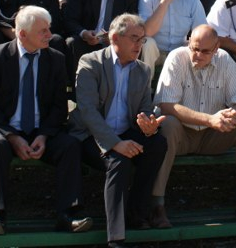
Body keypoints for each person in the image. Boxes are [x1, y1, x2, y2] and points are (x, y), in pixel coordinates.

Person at [0, 6, 92, 236]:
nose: (50, 35)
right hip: (1, 129)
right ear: (22, 34)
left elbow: (59, 107)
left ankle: (69, 214)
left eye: (49, 29)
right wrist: (13, 137)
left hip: (39, 131)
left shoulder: (55, 59)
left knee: (70, 146)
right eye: (43, 31)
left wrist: (44, 135)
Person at [153, 25, 236, 225]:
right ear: (189, 43)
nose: (198, 55)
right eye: (194, 49)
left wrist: (229, 117)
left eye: (205, 51)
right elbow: (167, 105)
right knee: (168, 124)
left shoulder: (225, 60)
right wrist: (209, 119)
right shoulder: (176, 58)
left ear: (216, 48)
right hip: (181, 136)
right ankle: (156, 204)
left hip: (214, 136)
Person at [69, 14, 167, 246]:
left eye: (142, 39)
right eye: (134, 38)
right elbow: (88, 112)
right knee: (118, 160)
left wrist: (149, 125)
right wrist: (115, 143)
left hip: (125, 130)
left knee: (157, 144)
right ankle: (116, 237)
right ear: (114, 38)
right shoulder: (91, 62)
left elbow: (144, 109)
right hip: (91, 134)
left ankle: (137, 213)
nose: (139, 45)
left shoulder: (143, 70)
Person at [62, 0, 139, 80]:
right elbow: (70, 19)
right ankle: (77, 87)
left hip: (115, 41)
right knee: (73, 42)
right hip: (87, 39)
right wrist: (84, 33)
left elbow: (131, 25)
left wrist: (116, 38)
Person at [138, 0, 206, 69]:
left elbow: (201, 30)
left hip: (180, 51)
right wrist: (164, 3)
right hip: (155, 51)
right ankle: (147, 79)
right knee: (147, 43)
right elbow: (147, 32)